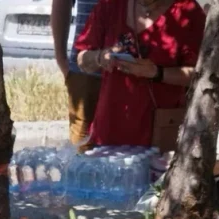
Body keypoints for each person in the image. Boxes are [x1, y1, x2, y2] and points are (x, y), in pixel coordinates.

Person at [73, 0, 206, 147]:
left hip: (159, 134)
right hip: (108, 131)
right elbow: (82, 60)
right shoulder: (109, 5)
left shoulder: (188, 12)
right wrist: (100, 57)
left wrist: (156, 72)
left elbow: (200, 74)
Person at [51, 0, 100, 149]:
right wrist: (61, 58)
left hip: (130, 72)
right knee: (82, 152)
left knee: (127, 154)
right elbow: (61, 4)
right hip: (85, 73)